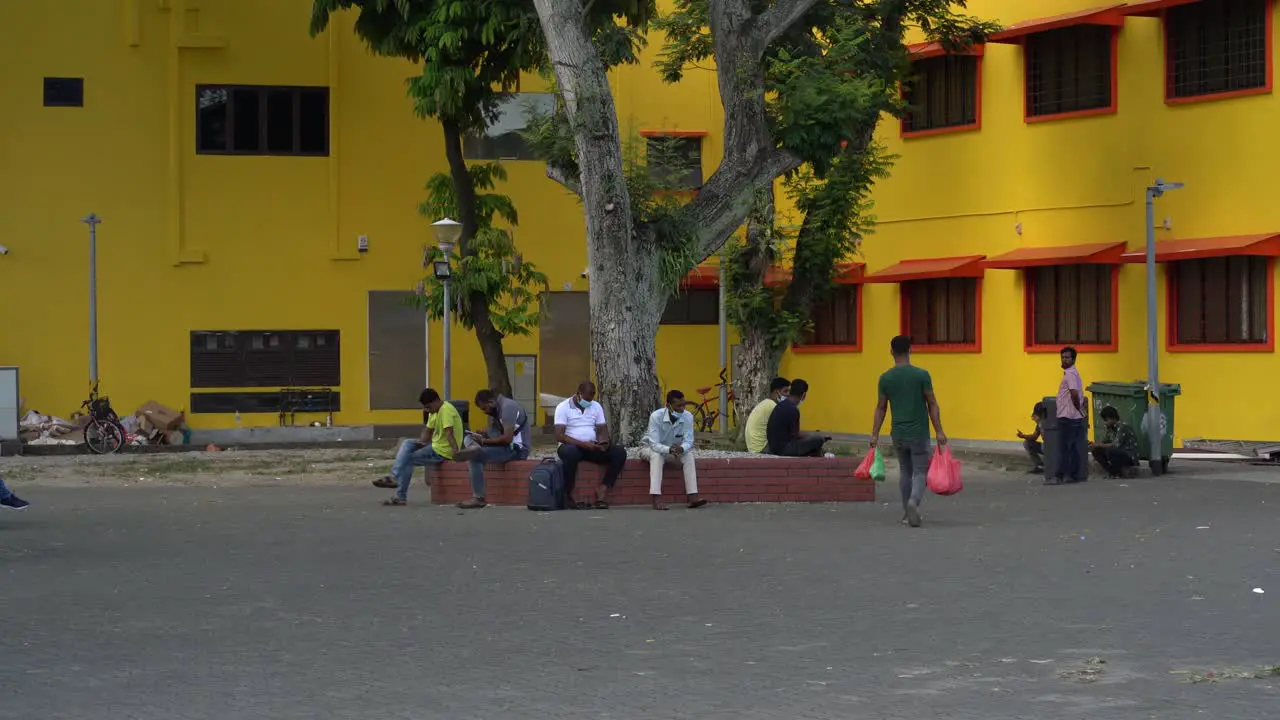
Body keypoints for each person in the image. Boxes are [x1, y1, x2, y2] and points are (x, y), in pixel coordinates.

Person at [870, 335, 947, 529]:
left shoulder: (886, 378)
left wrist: (874, 435)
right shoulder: (922, 375)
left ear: (891, 352)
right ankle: (914, 501)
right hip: (919, 432)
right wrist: (939, 431)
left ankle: (906, 513)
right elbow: (932, 403)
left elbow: (881, 408)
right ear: (910, 350)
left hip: (898, 433)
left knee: (905, 471)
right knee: (921, 471)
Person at [371, 388, 462, 506]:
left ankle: (400, 495)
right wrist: (421, 443)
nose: (428, 410)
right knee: (407, 443)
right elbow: (428, 431)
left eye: (429, 407)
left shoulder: (446, 411)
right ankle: (394, 477)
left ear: (436, 401)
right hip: (435, 446)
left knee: (408, 459)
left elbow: (449, 434)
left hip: (443, 451)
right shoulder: (435, 412)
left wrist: (455, 453)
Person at [454, 389, 531, 509]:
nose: (485, 412)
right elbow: (499, 436)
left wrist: (484, 441)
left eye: (485, 408)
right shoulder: (498, 409)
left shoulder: (507, 408)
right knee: (469, 438)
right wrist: (485, 435)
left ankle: (479, 498)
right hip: (506, 447)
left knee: (474, 457)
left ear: (491, 402)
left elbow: (507, 439)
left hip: (517, 449)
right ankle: (475, 447)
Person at [554, 381, 627, 509]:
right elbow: (560, 436)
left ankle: (603, 488)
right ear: (578, 394)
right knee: (570, 453)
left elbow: (601, 429)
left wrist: (603, 443)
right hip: (572, 446)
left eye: (592, 397)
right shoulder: (563, 407)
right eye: (586, 398)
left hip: (591, 447)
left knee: (619, 452)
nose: (589, 401)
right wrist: (583, 444)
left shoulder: (596, 406)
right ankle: (569, 493)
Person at [640, 390, 707, 511]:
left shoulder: (688, 416)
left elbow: (688, 440)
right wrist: (669, 449)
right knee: (657, 456)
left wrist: (682, 448)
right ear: (668, 406)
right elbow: (654, 444)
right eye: (678, 406)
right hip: (649, 448)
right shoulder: (656, 416)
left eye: (684, 405)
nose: (682, 409)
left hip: (673, 450)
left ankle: (693, 497)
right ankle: (656, 497)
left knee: (689, 456)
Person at [1050, 346, 1087, 486]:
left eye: (1067, 357)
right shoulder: (1071, 373)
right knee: (1071, 446)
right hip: (1072, 415)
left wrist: (1078, 408)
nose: (1064, 360)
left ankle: (1064, 475)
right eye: (1063, 357)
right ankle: (1071, 474)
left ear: (1073, 359)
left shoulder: (1071, 374)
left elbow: (1074, 393)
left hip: (1069, 416)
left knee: (1065, 447)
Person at [765, 379, 829, 457]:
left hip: (773, 448)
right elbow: (795, 436)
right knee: (818, 440)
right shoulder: (793, 409)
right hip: (783, 449)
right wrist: (810, 436)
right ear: (804, 395)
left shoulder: (781, 405)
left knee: (812, 443)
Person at [744, 377, 790, 454]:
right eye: (785, 391)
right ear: (777, 392)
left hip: (754, 448)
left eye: (789, 392)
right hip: (762, 448)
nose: (788, 395)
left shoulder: (765, 403)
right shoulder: (773, 406)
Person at [1091, 406, 1139, 478]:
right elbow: (1105, 441)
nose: (1105, 422)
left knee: (1111, 450)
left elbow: (1116, 444)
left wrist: (1100, 445)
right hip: (1118, 453)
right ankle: (1112, 472)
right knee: (1096, 450)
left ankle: (1116, 472)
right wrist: (1095, 444)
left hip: (1129, 454)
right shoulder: (1111, 428)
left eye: (1106, 420)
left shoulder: (1122, 427)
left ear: (1112, 418)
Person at [1017, 403, 1047, 474]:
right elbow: (1034, 437)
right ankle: (1039, 466)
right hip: (1046, 448)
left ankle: (1051, 467)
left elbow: (1048, 438)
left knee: (1045, 445)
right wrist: (1023, 436)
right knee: (1027, 443)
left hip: (1053, 448)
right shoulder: (1040, 422)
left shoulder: (1050, 421)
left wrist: (1041, 424)